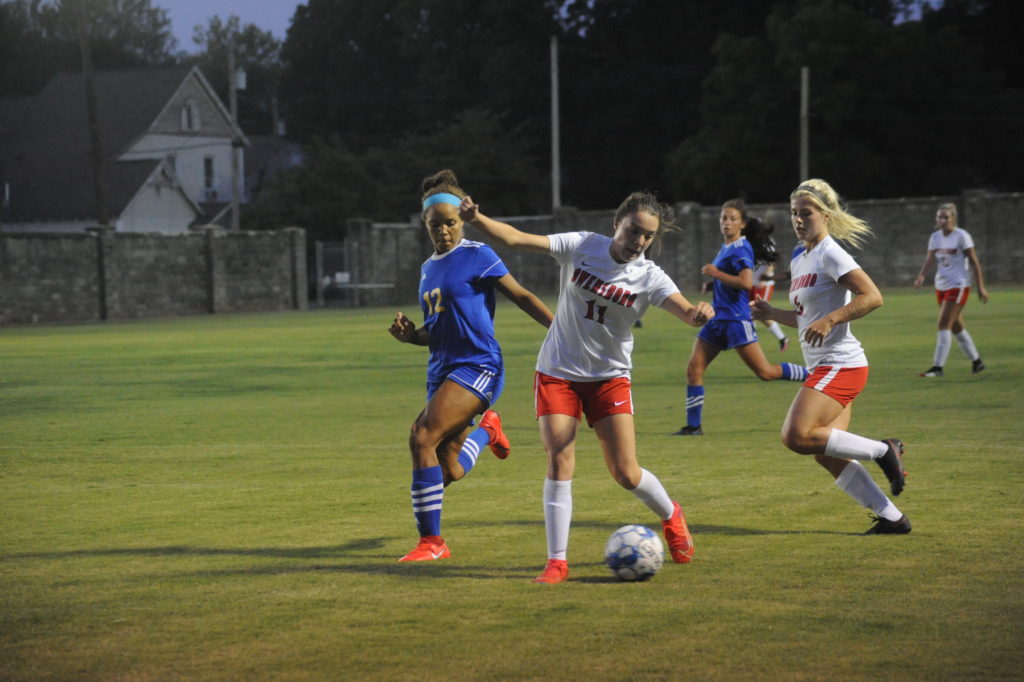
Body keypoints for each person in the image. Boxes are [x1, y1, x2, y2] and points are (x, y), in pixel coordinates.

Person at [461, 190, 715, 584]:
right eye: (633, 231)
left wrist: (700, 314)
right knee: (559, 457)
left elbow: (686, 312)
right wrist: (476, 219)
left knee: (626, 473)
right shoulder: (582, 245)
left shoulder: (650, 276)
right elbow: (515, 239)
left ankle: (672, 515)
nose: (639, 241)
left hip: (609, 377)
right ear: (617, 224)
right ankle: (557, 561)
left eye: (648, 236)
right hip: (558, 371)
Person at [389, 170, 554, 562]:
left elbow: (522, 295)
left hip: (478, 365)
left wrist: (561, 329)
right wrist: (412, 336)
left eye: (450, 222)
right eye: (435, 225)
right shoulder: (427, 269)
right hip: (441, 370)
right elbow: (436, 330)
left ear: (461, 221)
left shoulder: (478, 255)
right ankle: (488, 431)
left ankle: (432, 543)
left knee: (421, 436)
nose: (444, 231)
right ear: (425, 224)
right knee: (451, 469)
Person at [751, 179, 911, 535]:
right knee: (825, 453)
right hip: (825, 366)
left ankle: (884, 450)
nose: (798, 219)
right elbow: (806, 319)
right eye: (794, 213)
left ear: (825, 215)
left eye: (806, 213)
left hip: (841, 364)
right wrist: (771, 313)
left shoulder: (830, 253)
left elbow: (872, 296)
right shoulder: (801, 257)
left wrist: (832, 319)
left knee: (795, 436)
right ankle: (892, 518)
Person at [674, 199, 808, 437]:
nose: (727, 223)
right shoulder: (726, 247)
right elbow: (731, 278)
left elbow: (746, 283)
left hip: (736, 320)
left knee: (766, 372)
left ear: (742, 224)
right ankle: (693, 427)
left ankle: (813, 375)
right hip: (717, 318)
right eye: (724, 218)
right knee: (694, 369)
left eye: (732, 219)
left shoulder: (741, 248)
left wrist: (716, 273)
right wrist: (713, 284)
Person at [913, 202, 989, 377]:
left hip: (959, 285)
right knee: (956, 326)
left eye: (946, 217)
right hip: (941, 286)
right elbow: (930, 259)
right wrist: (921, 276)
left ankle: (937, 368)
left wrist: (981, 287)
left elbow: (974, 262)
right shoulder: (935, 237)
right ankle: (977, 362)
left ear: (953, 218)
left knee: (943, 324)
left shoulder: (962, 236)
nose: (943, 220)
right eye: (940, 217)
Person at [745, 218, 790, 351]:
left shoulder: (767, 242)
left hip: (763, 284)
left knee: (756, 312)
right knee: (753, 312)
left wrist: (767, 275)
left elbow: (772, 261)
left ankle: (750, 340)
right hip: (751, 282)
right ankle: (781, 338)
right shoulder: (750, 241)